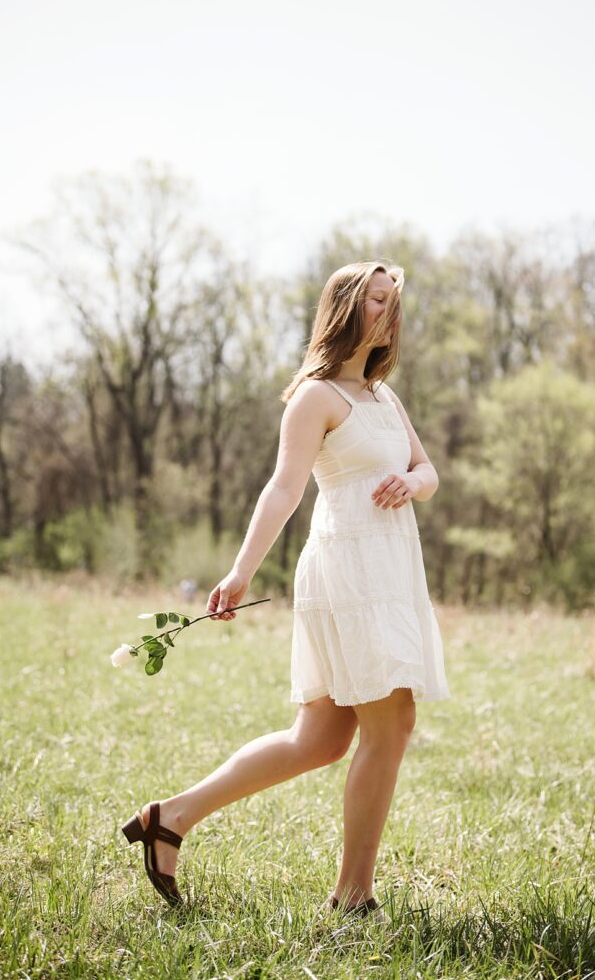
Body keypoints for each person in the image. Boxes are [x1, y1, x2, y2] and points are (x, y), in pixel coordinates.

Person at [121, 260, 451, 916]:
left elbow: (426, 468)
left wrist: (413, 484)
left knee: (321, 740)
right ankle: (353, 899)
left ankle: (170, 818)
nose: (388, 313)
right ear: (347, 307)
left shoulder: (384, 399)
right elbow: (283, 487)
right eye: (376, 300)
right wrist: (239, 572)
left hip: (390, 572)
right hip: (347, 573)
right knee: (392, 724)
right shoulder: (316, 396)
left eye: (393, 303)